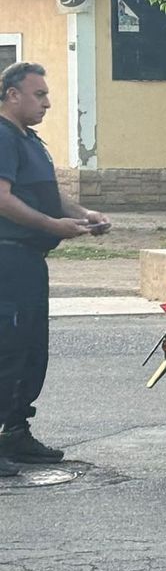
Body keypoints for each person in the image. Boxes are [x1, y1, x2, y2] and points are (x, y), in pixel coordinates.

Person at [0, 62, 111, 477]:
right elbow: (3, 199)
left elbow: (50, 195)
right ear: (13, 95)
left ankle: (15, 433)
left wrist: (85, 214)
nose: (47, 102)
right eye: (39, 94)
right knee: (7, 350)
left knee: (31, 350)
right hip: (7, 260)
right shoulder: (3, 136)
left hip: (29, 262)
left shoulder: (31, 140)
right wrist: (53, 227)